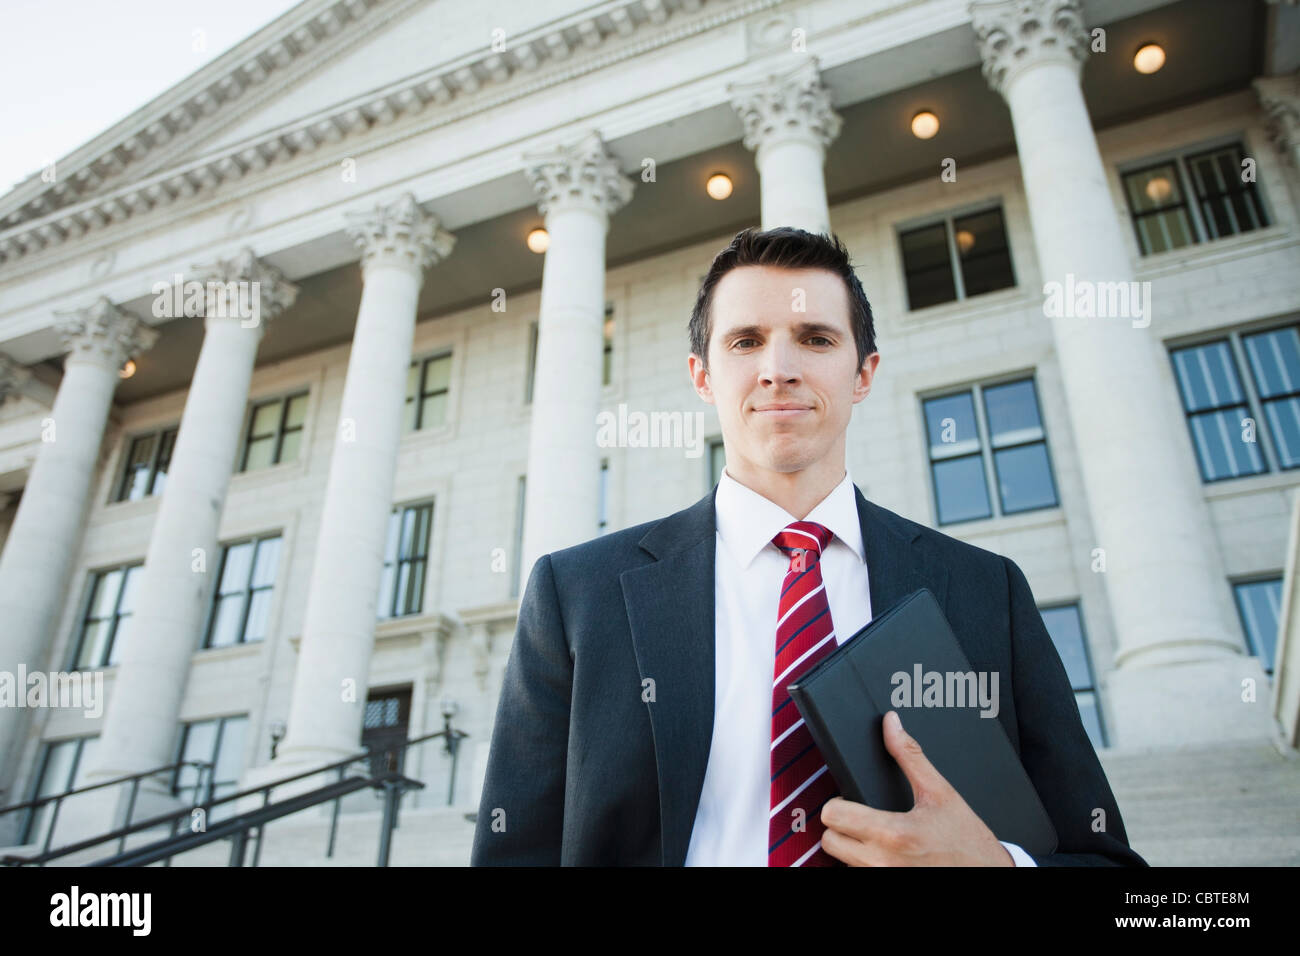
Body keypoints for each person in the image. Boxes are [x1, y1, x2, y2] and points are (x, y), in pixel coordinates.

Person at [471, 226, 1146, 866]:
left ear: (863, 373)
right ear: (702, 376)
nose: (778, 369)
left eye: (816, 338)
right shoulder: (579, 595)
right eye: (745, 341)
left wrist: (995, 865)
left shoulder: (983, 591)